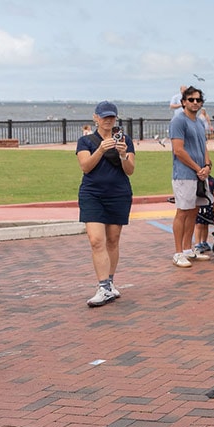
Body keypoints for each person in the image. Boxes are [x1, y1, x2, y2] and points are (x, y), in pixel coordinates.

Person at [76, 101, 135, 306]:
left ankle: (109, 283)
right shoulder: (86, 142)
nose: (108, 120)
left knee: (113, 239)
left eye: (111, 117)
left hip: (118, 193)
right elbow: (85, 167)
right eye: (104, 117)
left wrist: (122, 153)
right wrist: (101, 149)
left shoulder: (124, 140)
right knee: (96, 240)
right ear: (96, 118)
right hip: (92, 194)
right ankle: (102, 287)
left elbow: (130, 170)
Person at [170, 87, 212, 268]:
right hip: (184, 175)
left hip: (199, 175)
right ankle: (178, 252)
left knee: (194, 210)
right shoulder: (178, 121)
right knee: (183, 211)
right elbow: (178, 150)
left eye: (198, 100)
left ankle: (188, 249)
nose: (195, 102)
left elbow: (204, 147)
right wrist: (197, 168)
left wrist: (207, 166)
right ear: (184, 102)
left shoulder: (200, 122)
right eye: (191, 99)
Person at [193, 175, 214, 254]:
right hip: (199, 205)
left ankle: (204, 242)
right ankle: (197, 244)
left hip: (209, 205)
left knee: (206, 224)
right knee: (199, 224)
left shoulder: (212, 180)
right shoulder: (196, 180)